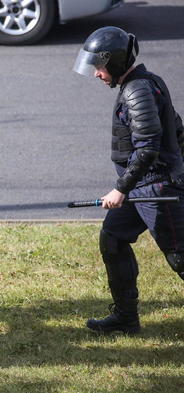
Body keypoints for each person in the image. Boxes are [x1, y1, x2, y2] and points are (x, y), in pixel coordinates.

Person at [73, 26, 184, 334]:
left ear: (117, 61)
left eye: (99, 66)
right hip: (141, 187)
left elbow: (148, 147)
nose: (96, 73)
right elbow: (176, 128)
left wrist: (120, 189)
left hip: (156, 187)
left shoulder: (137, 90)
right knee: (113, 239)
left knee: (180, 258)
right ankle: (126, 318)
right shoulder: (144, 84)